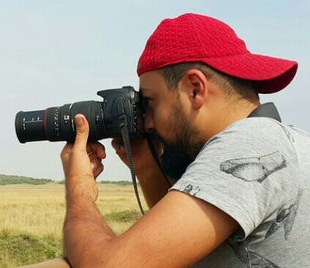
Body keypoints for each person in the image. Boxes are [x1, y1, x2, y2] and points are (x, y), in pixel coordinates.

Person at [22, 13, 309, 267]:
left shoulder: (250, 142)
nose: (147, 122)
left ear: (195, 89)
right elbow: (177, 244)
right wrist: (145, 163)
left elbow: (108, 265)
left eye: (150, 102)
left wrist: (79, 191)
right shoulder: (280, 140)